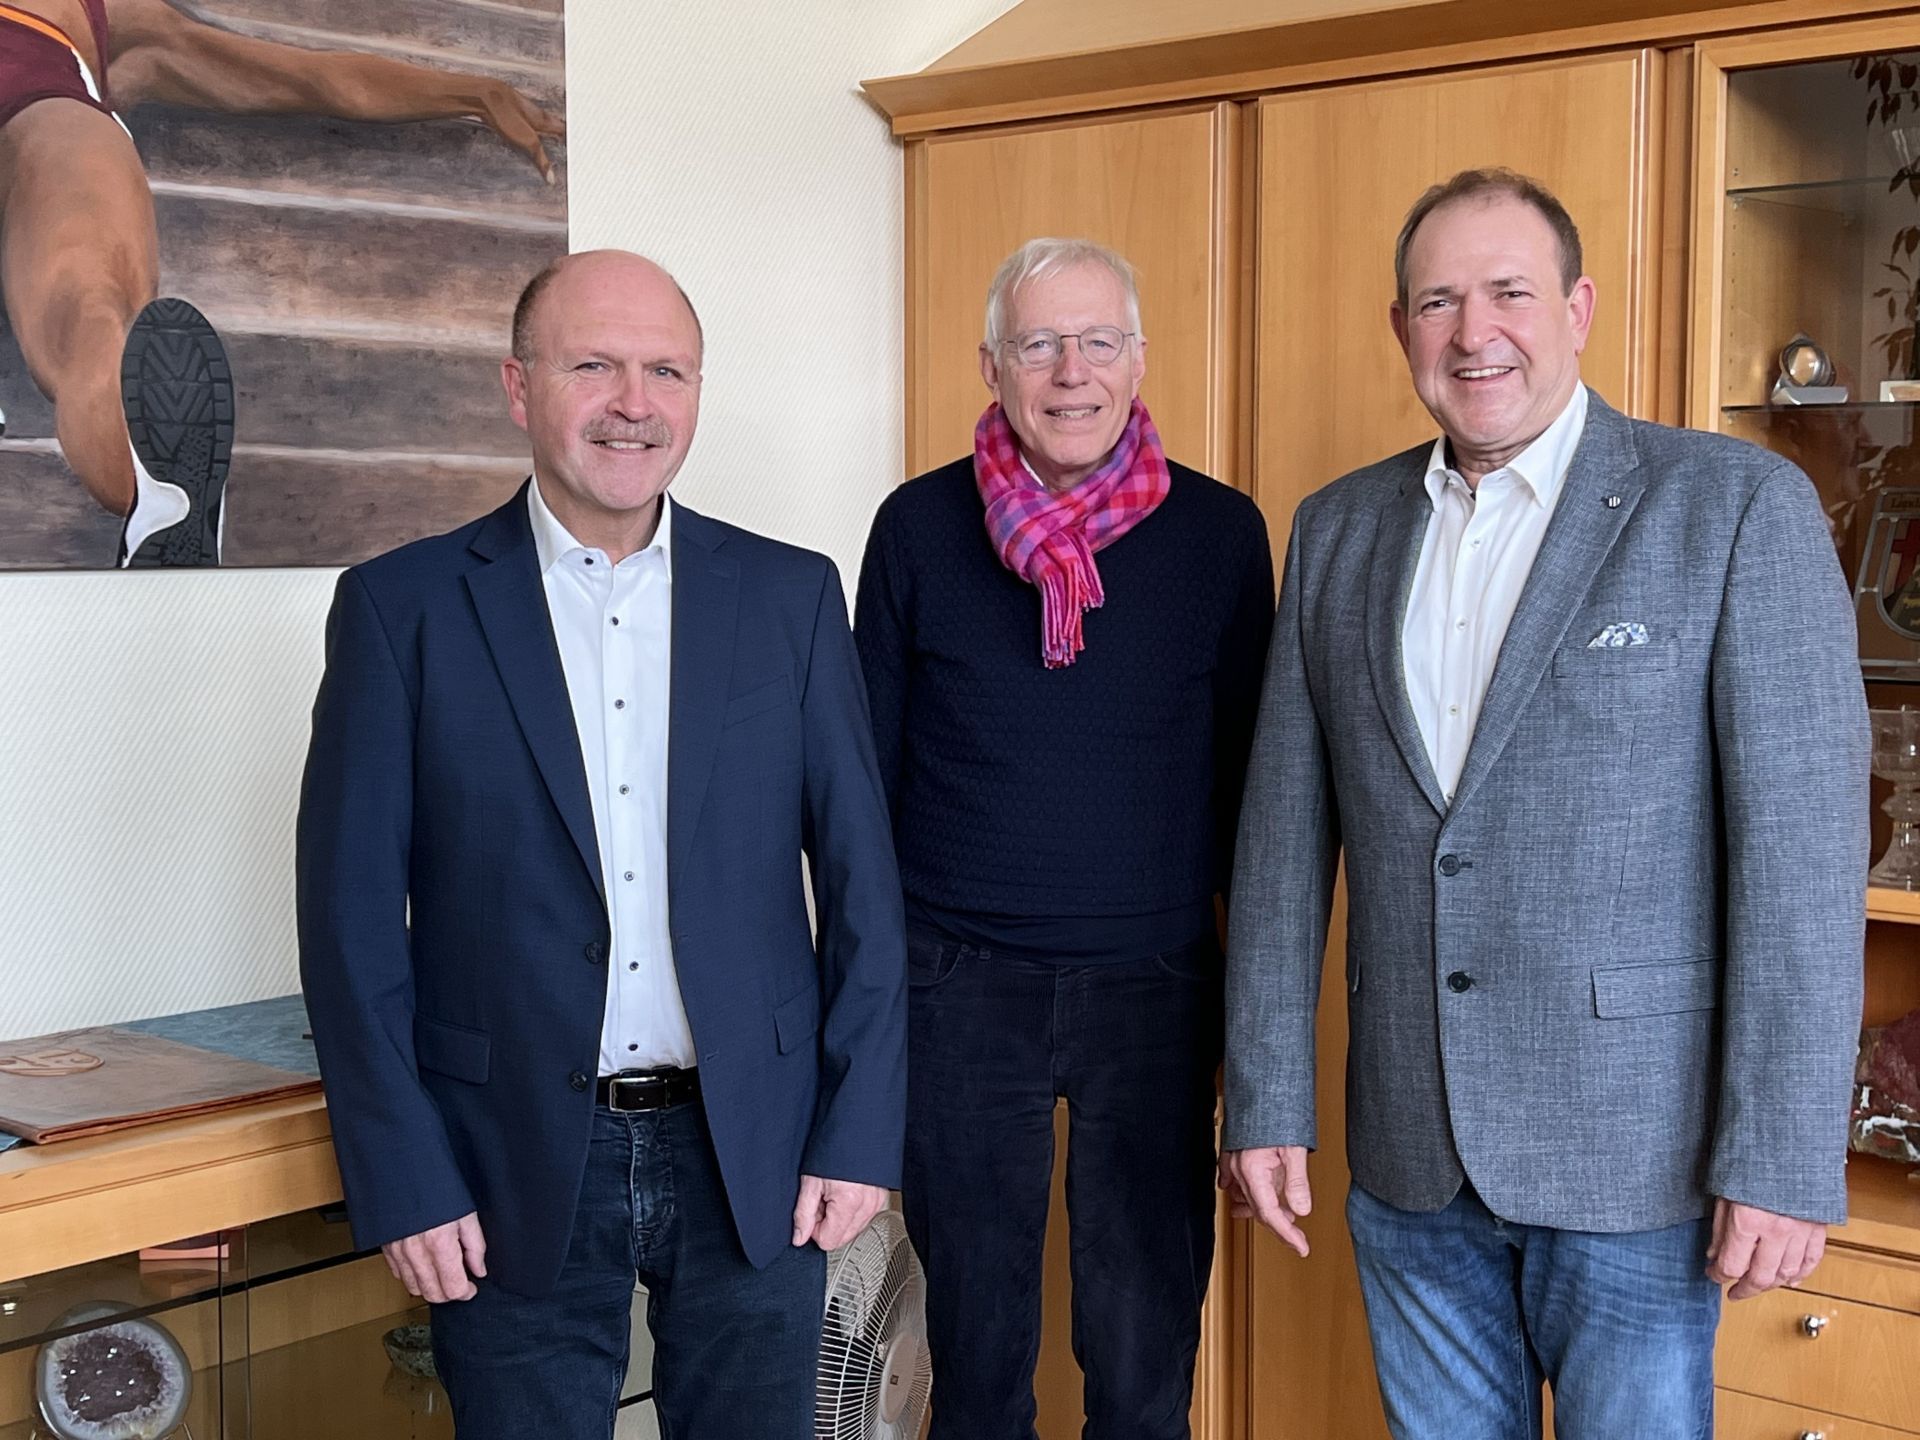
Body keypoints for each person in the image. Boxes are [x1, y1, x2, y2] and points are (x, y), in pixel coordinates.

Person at [1221, 167, 1868, 1439]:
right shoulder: (1337, 529)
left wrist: (1783, 1162)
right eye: (1438, 302)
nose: (1475, 333)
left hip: (1641, 1157)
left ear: (1576, 307)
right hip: (1407, 1152)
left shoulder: (1732, 508)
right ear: (1399, 328)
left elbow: (1799, 863)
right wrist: (1269, 1095)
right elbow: (1283, 846)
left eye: (1509, 292)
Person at [297, 249, 906, 1440]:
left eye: (666, 369)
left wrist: (860, 1129)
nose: (635, 401)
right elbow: (349, 922)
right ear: (521, 389)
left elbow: (863, 892)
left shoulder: (789, 598)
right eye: (594, 365)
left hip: (757, 1152)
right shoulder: (400, 610)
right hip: (506, 1159)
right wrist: (402, 1173)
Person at [855, 236, 1273, 1440]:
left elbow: (1263, 796)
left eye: (1099, 341)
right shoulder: (918, 529)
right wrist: (869, 1013)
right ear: (993, 365)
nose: (1071, 371)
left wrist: (1253, 1033)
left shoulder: (1221, 536)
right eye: (1039, 343)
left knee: (1144, 1358)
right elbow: (863, 784)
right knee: (976, 1362)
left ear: (1140, 361)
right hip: (955, 983)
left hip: (1158, 985)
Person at [0, 0, 562, 565]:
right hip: (42, 103)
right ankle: (158, 498)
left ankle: (164, 507)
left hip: (37, 103)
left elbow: (315, 76)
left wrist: (475, 93)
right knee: (86, 300)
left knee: (91, 304)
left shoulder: (104, 16)